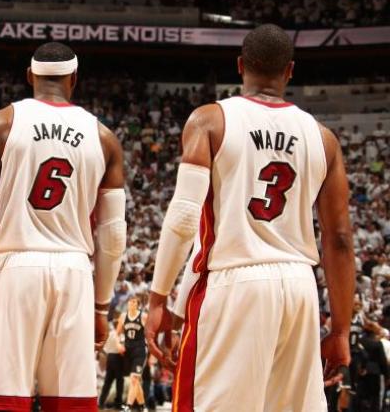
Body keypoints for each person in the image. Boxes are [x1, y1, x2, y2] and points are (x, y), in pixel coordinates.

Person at [145, 24, 356, 411]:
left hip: (235, 281)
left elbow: (186, 217)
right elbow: (340, 239)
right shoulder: (323, 138)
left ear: (240, 65)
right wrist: (341, 329)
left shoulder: (210, 120)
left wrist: (159, 298)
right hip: (300, 286)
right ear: (290, 71)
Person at [0, 42, 126, 412]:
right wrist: (100, 307)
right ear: (74, 78)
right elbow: (113, 236)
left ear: (30, 76)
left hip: (15, 267)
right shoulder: (104, 138)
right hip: (74, 272)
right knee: (69, 404)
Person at [117, 296, 147, 411]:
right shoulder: (123, 316)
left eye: (134, 302)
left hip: (140, 350)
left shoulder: (143, 316)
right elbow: (117, 334)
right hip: (128, 351)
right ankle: (142, 406)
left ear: (138, 305)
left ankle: (128, 406)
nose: (131, 303)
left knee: (134, 378)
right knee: (135, 380)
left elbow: (150, 334)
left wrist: (151, 354)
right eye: (130, 301)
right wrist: (118, 344)